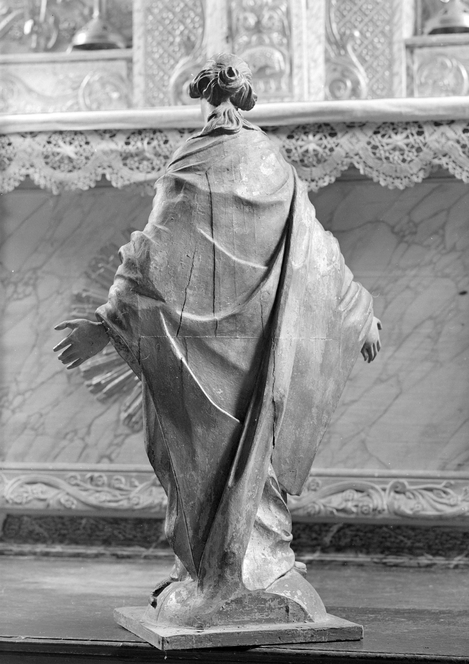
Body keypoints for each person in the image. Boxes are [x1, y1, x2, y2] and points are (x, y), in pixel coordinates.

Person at [54, 54, 381, 628]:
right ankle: (238, 570)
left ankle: (224, 575)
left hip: (195, 351)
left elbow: (153, 253)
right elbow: (316, 250)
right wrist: (359, 311)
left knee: (196, 457)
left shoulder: (190, 161)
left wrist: (105, 323)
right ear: (245, 101)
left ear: (204, 101)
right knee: (256, 453)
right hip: (259, 343)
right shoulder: (272, 163)